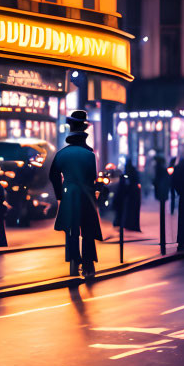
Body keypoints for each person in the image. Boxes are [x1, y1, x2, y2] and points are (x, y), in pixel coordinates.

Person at [50, 110, 103, 277]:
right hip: (86, 195)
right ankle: (88, 265)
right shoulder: (90, 155)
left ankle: (74, 260)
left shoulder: (61, 154)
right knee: (87, 230)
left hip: (69, 195)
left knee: (70, 230)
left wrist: (60, 195)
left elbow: (53, 176)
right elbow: (93, 177)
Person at [122, 159, 142, 232]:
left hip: (132, 193)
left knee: (131, 209)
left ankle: (130, 225)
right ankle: (131, 225)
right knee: (132, 210)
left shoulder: (130, 171)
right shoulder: (132, 171)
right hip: (133, 193)